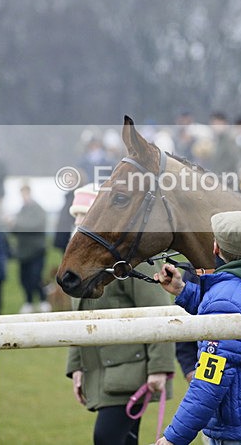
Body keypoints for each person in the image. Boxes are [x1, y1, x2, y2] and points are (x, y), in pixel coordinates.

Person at [154, 210, 241, 445]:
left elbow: (209, 381)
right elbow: (229, 310)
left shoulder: (226, 301)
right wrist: (183, 290)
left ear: (216, 248)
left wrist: (173, 438)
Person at [65, 183, 175, 445]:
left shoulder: (132, 259)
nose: (78, 223)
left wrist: (159, 368)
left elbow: (158, 311)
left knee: (106, 438)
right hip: (102, 373)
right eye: (76, 216)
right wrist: (76, 367)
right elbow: (78, 318)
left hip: (132, 374)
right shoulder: (81, 264)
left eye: (85, 215)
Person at [10, 184, 50, 313]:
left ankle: (43, 300)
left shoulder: (38, 209)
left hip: (37, 250)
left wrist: (17, 224)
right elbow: (15, 230)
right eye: (22, 194)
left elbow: (35, 226)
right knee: (24, 279)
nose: (24, 196)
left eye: (25, 193)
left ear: (30, 193)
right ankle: (29, 302)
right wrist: (11, 226)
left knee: (36, 277)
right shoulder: (21, 210)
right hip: (22, 252)